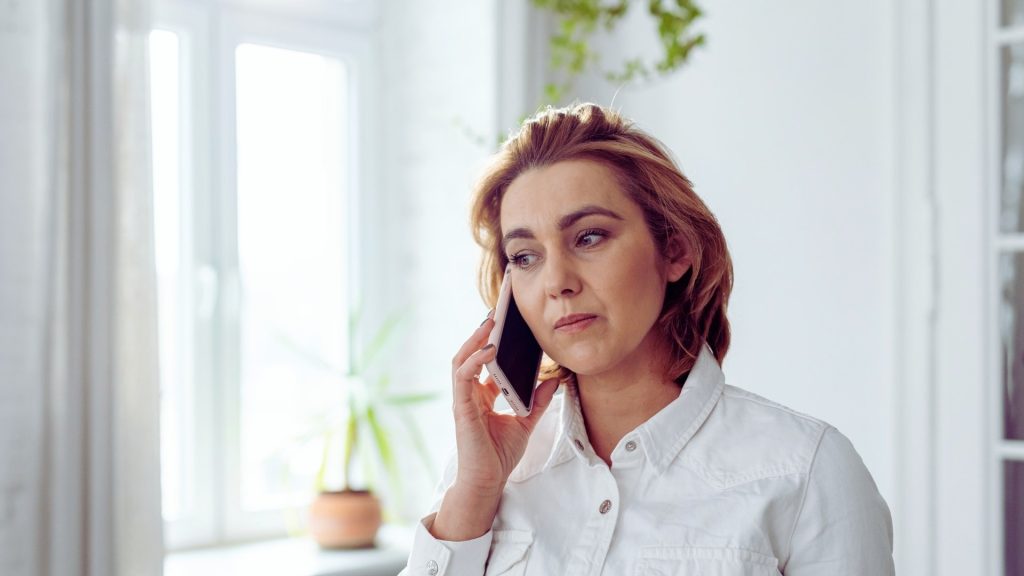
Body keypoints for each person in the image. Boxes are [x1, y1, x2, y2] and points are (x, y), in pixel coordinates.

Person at [400, 103, 894, 575]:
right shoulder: (487, 469)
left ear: (674, 250)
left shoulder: (807, 470)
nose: (557, 282)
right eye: (525, 257)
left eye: (589, 237)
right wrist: (476, 492)